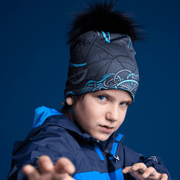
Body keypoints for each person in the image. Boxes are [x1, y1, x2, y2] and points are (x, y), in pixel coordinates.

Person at [8, 1, 171, 180]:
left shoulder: (112, 150)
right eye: (102, 97)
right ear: (72, 94)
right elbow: (37, 160)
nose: (114, 116)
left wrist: (154, 174)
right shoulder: (52, 141)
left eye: (123, 103)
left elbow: (150, 165)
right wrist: (43, 174)